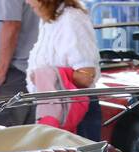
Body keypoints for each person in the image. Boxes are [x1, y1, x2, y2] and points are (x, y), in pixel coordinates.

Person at [24, 0, 101, 140]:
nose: (27, 1)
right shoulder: (50, 20)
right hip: (59, 109)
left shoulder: (71, 19)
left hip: (74, 111)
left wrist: (49, 76)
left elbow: (86, 76)